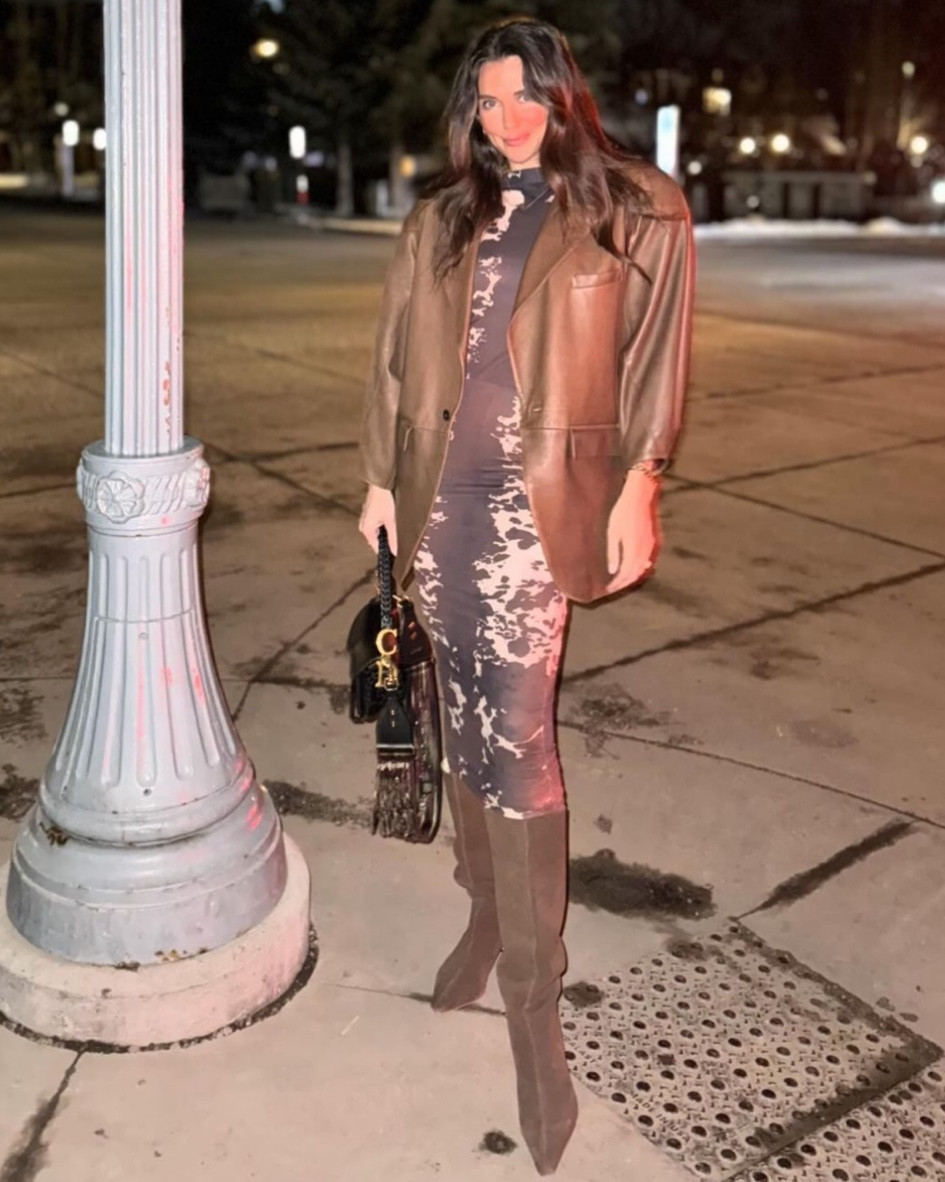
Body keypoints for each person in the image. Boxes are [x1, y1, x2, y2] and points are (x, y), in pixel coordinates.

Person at [358, 17, 694, 1176]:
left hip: (533, 511)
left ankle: (535, 1017)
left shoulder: (636, 210)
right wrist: (377, 483)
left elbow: (653, 360)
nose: (504, 122)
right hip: (436, 503)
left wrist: (641, 481)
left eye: (523, 98)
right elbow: (395, 361)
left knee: (518, 733)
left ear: (563, 96)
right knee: (460, 718)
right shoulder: (441, 219)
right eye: (486, 103)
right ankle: (486, 913)